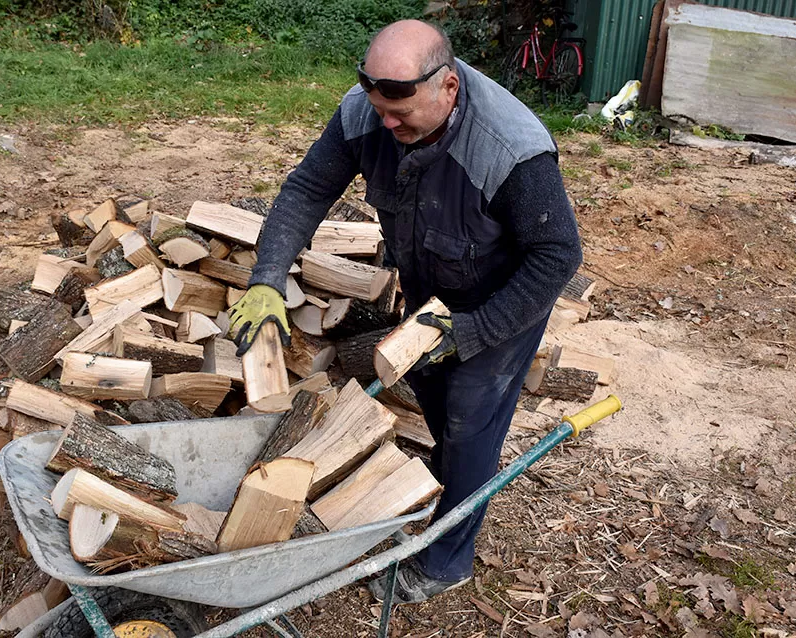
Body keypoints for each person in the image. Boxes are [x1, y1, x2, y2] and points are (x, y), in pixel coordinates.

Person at [227, 19, 582, 603]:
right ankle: (448, 475)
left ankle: (447, 559)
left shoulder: (510, 148)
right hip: (432, 278)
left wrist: (476, 330)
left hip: (503, 299)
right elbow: (308, 190)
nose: (387, 125)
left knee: (470, 420)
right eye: (379, 110)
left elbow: (558, 254)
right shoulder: (367, 112)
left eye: (401, 113)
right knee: (433, 393)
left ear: (448, 87)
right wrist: (267, 279)